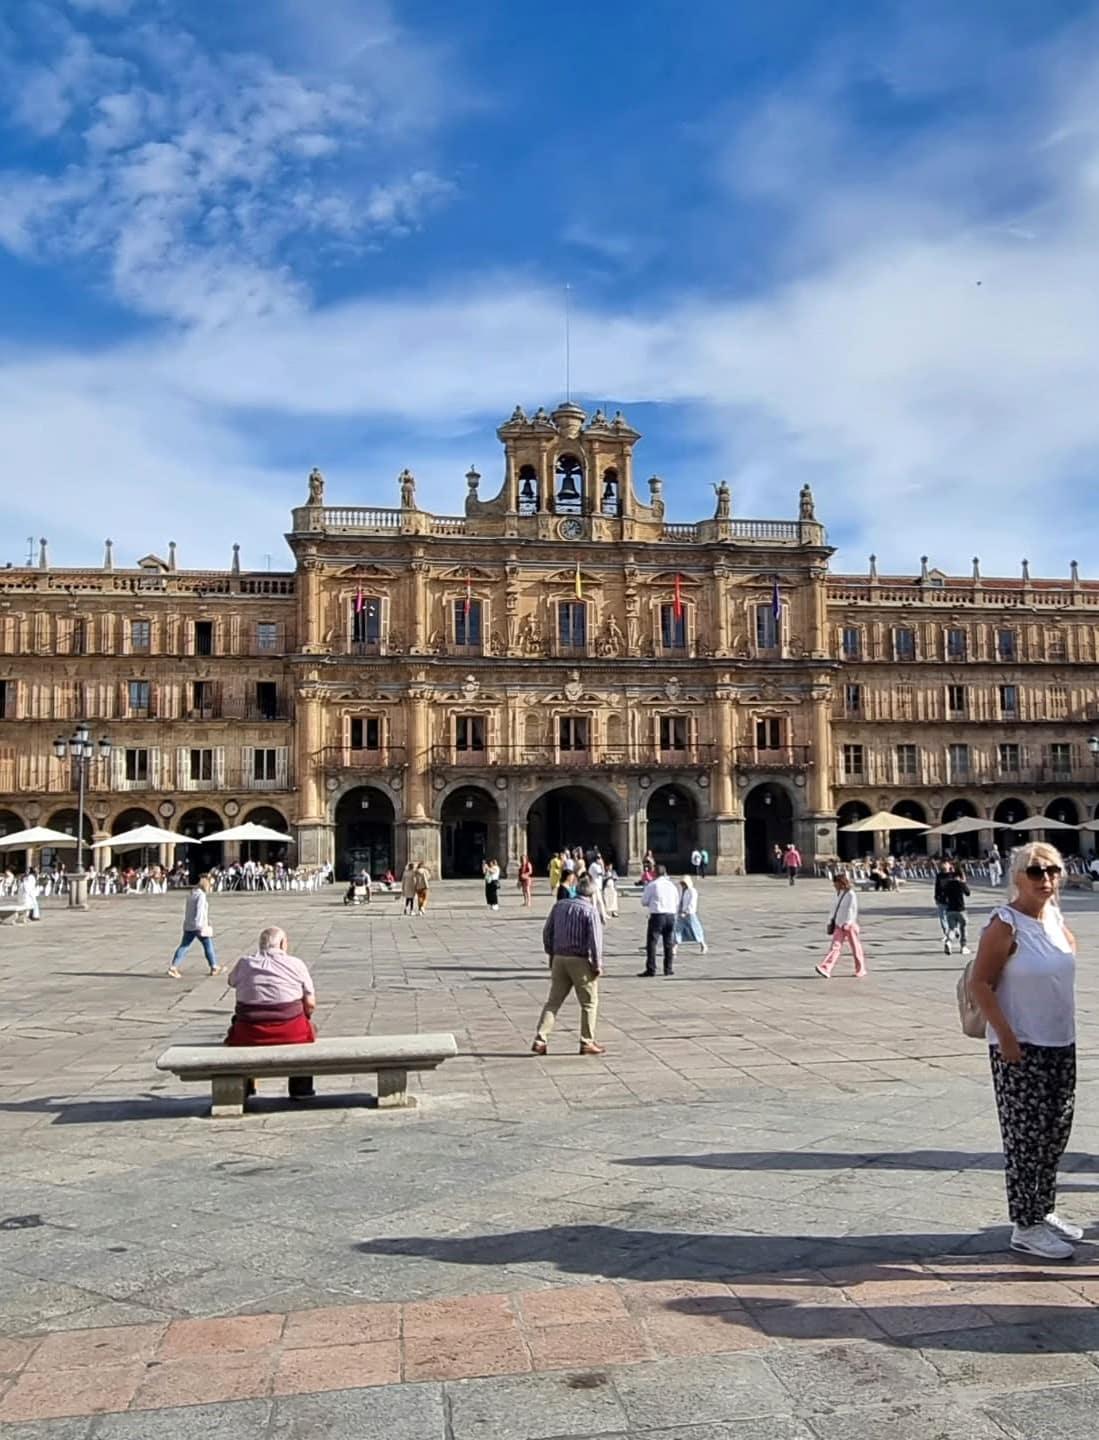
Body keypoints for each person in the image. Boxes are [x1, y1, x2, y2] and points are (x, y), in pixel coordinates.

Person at [968, 842, 1079, 1260]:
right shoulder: (1004, 924)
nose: (1045, 878)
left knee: (1054, 1134)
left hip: (1059, 1041)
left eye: (1052, 870)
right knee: (1024, 1139)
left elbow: (1065, 958)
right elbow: (980, 982)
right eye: (1035, 871)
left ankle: (1042, 1209)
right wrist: (1007, 1036)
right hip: (1020, 1047)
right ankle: (1025, 1225)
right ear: (1017, 876)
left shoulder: (1054, 918)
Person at [226, 926, 316, 1100]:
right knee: (307, 1031)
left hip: (250, 1032)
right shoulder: (296, 964)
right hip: (290, 1031)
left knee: (236, 1021)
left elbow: (231, 981)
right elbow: (310, 1005)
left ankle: (246, 1084)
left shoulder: (245, 962)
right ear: (282, 944)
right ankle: (301, 1088)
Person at [531, 875, 605, 1055]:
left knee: (553, 1002)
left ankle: (540, 1039)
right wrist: (597, 964)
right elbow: (595, 941)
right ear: (592, 893)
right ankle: (587, 1041)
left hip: (559, 959)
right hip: (579, 960)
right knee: (589, 1003)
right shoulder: (590, 910)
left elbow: (547, 931)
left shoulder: (559, 906)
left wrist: (551, 953)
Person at [167, 874, 222, 978]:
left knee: (184, 946)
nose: (211, 887)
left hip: (189, 924)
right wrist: (201, 925)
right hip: (198, 925)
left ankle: (173, 967)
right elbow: (200, 911)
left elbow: (188, 910)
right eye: (211, 885)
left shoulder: (192, 893)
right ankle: (214, 967)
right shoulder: (201, 895)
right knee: (207, 945)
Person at [815, 874, 867, 979]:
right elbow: (834, 909)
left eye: (836, 883)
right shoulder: (838, 894)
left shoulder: (851, 894)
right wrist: (830, 920)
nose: (834, 885)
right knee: (835, 947)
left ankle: (860, 969)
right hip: (839, 924)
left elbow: (852, 910)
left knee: (855, 947)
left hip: (849, 925)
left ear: (841, 882)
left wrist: (848, 922)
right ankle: (826, 968)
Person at [640, 863, 679, 977]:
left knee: (652, 943)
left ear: (654, 873)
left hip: (658, 916)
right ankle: (668, 969)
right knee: (668, 943)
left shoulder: (653, 885)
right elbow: (676, 901)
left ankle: (651, 969)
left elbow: (644, 901)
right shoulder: (672, 885)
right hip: (671, 916)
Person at [942, 865, 971, 956]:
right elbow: (968, 893)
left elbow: (944, 896)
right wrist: (964, 882)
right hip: (960, 909)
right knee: (963, 928)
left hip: (950, 909)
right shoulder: (961, 883)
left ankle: (949, 942)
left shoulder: (947, 884)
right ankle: (963, 947)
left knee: (952, 929)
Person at [675, 876, 707, 953]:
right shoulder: (682, 891)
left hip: (690, 914)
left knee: (695, 928)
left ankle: (702, 944)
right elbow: (680, 902)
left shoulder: (692, 891)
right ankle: (675, 946)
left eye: (684, 884)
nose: (683, 885)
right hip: (681, 913)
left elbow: (692, 903)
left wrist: (686, 912)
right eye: (682, 884)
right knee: (677, 930)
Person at [934, 861, 955, 944]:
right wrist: (936, 897)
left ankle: (953, 930)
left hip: (951, 899)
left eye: (946, 864)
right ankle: (946, 934)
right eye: (943, 865)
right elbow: (937, 886)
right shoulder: (939, 875)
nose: (944, 866)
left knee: (951, 917)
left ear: (949, 866)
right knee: (943, 918)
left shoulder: (952, 875)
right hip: (942, 899)